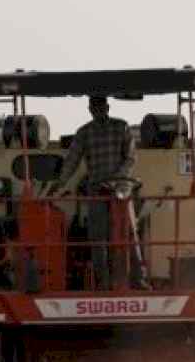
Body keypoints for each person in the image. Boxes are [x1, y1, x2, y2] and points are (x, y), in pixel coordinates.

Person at [52, 95, 142, 289]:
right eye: (95, 107)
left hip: (121, 190)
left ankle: (137, 278)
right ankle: (103, 282)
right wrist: (59, 184)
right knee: (98, 237)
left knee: (129, 233)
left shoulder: (122, 127)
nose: (98, 110)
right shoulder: (84, 133)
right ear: (90, 109)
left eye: (101, 106)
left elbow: (131, 157)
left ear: (107, 107)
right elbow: (72, 161)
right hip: (97, 190)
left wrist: (117, 178)